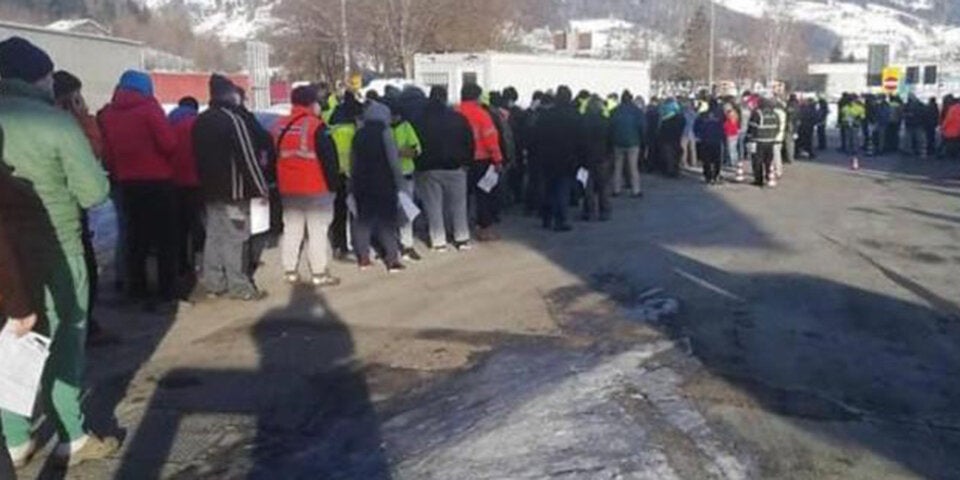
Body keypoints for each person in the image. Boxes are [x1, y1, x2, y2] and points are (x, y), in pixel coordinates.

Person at [0, 36, 119, 468]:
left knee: (12, 341)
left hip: (3, 256)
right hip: (56, 246)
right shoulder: (55, 122)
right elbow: (93, 192)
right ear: (40, 76)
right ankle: (72, 434)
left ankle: (13, 438)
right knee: (65, 337)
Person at [98, 70, 179, 309]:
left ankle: (137, 287)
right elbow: (169, 144)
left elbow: (108, 154)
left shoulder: (108, 114)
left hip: (127, 182)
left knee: (136, 238)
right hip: (158, 181)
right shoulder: (149, 109)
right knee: (166, 239)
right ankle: (166, 290)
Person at [193, 74, 270, 301]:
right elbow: (246, 157)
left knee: (215, 235)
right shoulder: (233, 120)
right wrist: (260, 187)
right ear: (230, 95)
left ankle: (214, 281)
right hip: (234, 192)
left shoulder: (202, 120)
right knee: (236, 236)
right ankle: (239, 285)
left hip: (209, 190)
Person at [52, 70, 113, 345]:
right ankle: (80, 325)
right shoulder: (62, 126)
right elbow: (92, 159)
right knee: (82, 270)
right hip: (65, 212)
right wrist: (83, 118)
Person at [273, 85, 341, 287]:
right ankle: (319, 273)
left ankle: (290, 271)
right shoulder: (317, 127)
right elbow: (330, 161)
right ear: (313, 103)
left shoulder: (278, 126)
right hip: (315, 188)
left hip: (287, 189)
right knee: (317, 232)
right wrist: (334, 186)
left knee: (292, 230)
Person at [414, 86, 473, 251]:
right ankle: (461, 238)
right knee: (458, 205)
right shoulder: (458, 118)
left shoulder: (418, 120)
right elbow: (469, 141)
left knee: (433, 206)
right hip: (455, 167)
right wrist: (467, 162)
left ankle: (438, 241)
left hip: (428, 168)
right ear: (445, 98)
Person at [351, 101, 406, 271]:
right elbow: (393, 161)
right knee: (387, 221)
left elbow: (352, 161)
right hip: (383, 182)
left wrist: (352, 184)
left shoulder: (358, 134)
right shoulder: (386, 132)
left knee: (362, 221)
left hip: (361, 183)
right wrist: (400, 184)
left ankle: (364, 257)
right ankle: (391, 259)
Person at [458, 83, 503, 241]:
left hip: (460, 161)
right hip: (481, 160)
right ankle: (484, 229)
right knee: (483, 195)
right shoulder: (481, 114)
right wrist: (497, 159)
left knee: (461, 196)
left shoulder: (455, 111)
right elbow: (491, 138)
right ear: (477, 97)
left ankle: (460, 227)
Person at [168, 96, 204, 286]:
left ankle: (181, 264)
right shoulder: (197, 124)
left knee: (178, 227)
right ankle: (196, 263)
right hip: (195, 181)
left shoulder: (168, 122)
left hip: (172, 181)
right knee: (196, 224)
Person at [535, 85, 581, 232]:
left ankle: (546, 217)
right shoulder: (574, 116)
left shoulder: (546, 115)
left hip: (547, 157)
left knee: (549, 188)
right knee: (563, 189)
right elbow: (580, 140)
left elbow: (538, 136)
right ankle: (561, 220)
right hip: (567, 157)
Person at [387, 99, 424, 261]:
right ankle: (389, 245)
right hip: (388, 176)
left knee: (406, 211)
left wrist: (405, 152)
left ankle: (407, 245)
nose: (393, 118)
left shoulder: (406, 127)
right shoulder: (384, 129)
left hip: (406, 175)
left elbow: (417, 148)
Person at [329, 93, 364, 259]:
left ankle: (339, 245)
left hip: (336, 176)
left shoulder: (331, 131)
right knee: (356, 212)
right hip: (353, 175)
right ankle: (358, 246)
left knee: (339, 213)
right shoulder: (355, 131)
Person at [579, 96, 612, 221]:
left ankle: (589, 211)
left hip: (585, 157)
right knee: (603, 186)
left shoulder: (582, 121)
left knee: (588, 186)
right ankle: (604, 211)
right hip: (602, 156)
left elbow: (579, 141)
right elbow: (610, 139)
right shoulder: (605, 121)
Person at [609, 90, 645, 197]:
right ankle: (636, 190)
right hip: (633, 142)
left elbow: (610, 127)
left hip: (617, 142)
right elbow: (642, 126)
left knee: (617, 167)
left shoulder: (615, 111)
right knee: (633, 167)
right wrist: (642, 139)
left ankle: (616, 189)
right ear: (631, 99)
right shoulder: (637, 111)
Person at [747, 97, 783, 188]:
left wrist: (750, 138)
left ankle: (758, 180)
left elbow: (752, 128)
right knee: (768, 161)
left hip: (758, 141)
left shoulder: (757, 114)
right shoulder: (775, 114)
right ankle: (769, 177)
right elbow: (778, 127)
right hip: (770, 141)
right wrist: (772, 136)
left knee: (757, 161)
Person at [695, 101, 725, 185]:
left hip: (705, 140)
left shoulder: (702, 115)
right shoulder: (720, 115)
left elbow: (696, 126)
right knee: (717, 160)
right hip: (716, 140)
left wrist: (699, 136)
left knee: (706, 160)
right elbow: (724, 126)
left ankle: (708, 176)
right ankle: (715, 176)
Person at [658, 97, 685, 178]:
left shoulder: (664, 116)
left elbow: (661, 128)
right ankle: (675, 170)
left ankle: (670, 171)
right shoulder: (680, 116)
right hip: (676, 137)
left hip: (667, 138)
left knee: (669, 155)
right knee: (676, 154)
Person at [842, 95, 867, 168]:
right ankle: (851, 151)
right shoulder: (846, 108)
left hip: (854, 124)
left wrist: (856, 118)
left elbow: (862, 116)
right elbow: (843, 116)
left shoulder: (856, 107)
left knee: (853, 138)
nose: (851, 101)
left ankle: (853, 151)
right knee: (850, 138)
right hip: (849, 124)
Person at [680, 99, 699, 169]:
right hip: (692, 132)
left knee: (684, 148)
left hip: (684, 132)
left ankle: (684, 162)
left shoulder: (682, 113)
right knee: (692, 148)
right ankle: (693, 162)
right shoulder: (694, 113)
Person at [941, 95, 960, 160]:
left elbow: (948, 119)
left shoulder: (952, 108)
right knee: (956, 142)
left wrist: (943, 126)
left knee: (950, 142)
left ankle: (950, 155)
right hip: (957, 128)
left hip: (951, 128)